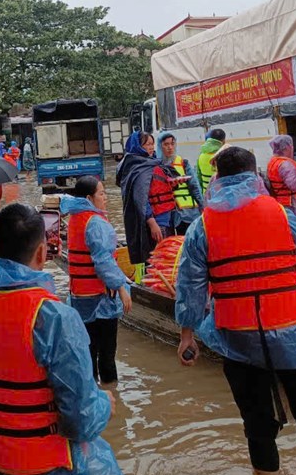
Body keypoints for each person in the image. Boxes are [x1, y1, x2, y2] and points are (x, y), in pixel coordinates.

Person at [175, 147, 296, 475]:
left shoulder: (201, 226)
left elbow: (190, 284)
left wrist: (187, 336)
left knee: (258, 428)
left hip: (239, 339)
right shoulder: (278, 213)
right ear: (255, 175)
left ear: (217, 178)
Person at [0, 203, 123, 475]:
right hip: (44, 467)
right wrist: (104, 403)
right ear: (42, 253)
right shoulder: (53, 317)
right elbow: (80, 420)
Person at [62, 177, 132, 384]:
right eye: (101, 194)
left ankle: (92, 396)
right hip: (100, 296)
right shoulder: (96, 223)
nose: (105, 198)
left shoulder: (75, 218)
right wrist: (121, 287)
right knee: (107, 355)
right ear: (88, 198)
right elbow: (103, 262)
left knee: (89, 352)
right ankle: (112, 395)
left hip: (80, 296)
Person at [117, 132, 171, 267]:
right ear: (138, 147)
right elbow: (140, 198)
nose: (151, 147)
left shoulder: (152, 163)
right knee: (158, 259)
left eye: (152, 144)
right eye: (148, 144)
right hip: (156, 221)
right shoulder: (138, 167)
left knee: (166, 257)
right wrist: (152, 223)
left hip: (166, 218)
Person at [159, 132, 203, 234]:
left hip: (187, 213)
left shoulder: (184, 163)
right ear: (160, 146)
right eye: (166, 144)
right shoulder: (156, 165)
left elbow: (194, 186)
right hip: (167, 215)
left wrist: (202, 206)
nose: (170, 147)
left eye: (172, 144)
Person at [266, 135, 296, 215]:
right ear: (286, 147)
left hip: (281, 201)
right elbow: (294, 185)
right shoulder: (286, 164)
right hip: (292, 203)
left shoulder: (273, 162)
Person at [197, 128, 228, 193]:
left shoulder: (201, 155)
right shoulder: (223, 155)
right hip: (220, 194)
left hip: (206, 194)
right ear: (223, 140)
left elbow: (199, 178)